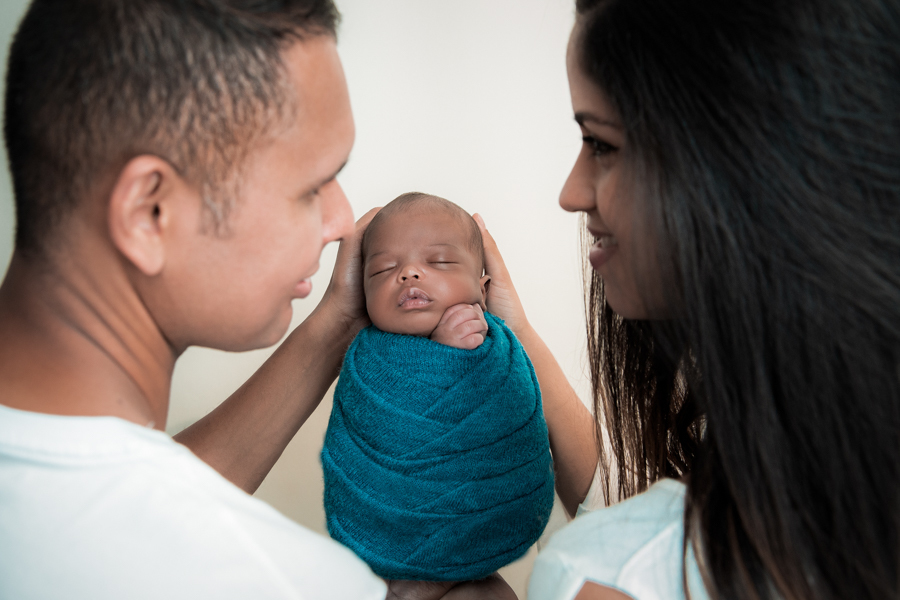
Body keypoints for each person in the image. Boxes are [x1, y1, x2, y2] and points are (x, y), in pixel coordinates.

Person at [483, 0, 898, 599]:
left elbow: (637, 550)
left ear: (728, 160)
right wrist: (514, 337)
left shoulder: (604, 578)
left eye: (600, 143)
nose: (570, 193)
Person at [0, 1, 388, 598]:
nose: (341, 219)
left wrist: (333, 327)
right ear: (149, 213)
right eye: (313, 187)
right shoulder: (283, 584)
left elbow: (116, 493)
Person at [320, 193, 554, 590]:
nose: (409, 273)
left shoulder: (496, 345)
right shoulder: (367, 358)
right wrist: (441, 356)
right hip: (382, 542)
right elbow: (372, 430)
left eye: (439, 262)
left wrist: (459, 358)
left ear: (483, 289)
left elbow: (506, 411)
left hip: (482, 533)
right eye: (382, 269)